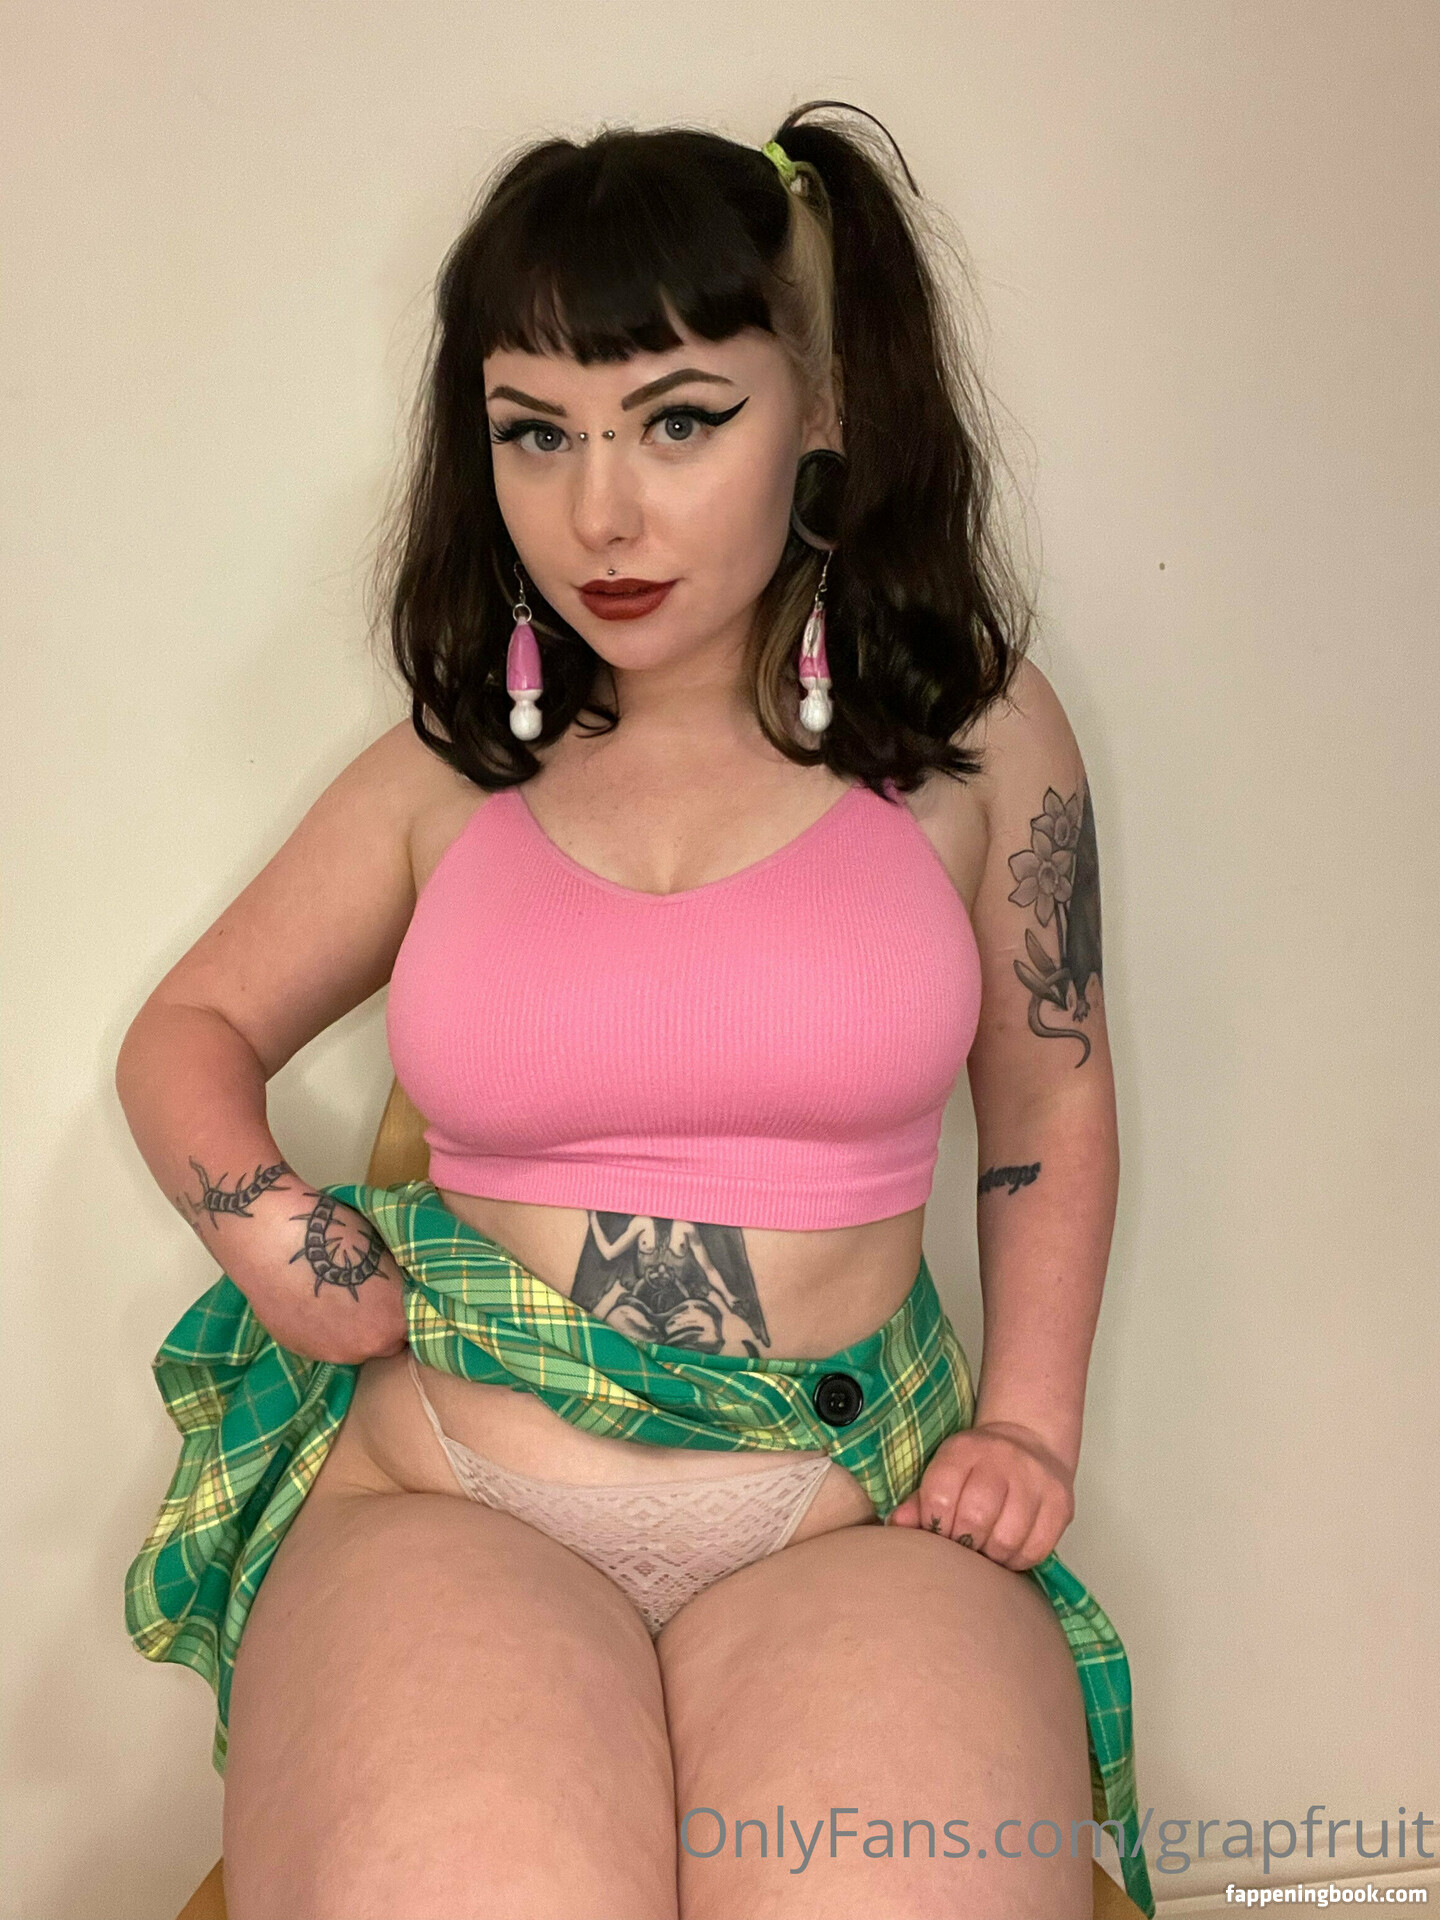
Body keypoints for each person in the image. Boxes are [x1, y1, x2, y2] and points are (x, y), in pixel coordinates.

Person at [118, 103, 1154, 1920]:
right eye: (536, 431)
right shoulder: (446, 771)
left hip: (855, 1502)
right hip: (446, 1498)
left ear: (824, 405)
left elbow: (1049, 1103)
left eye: (679, 420)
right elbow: (188, 1030)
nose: (597, 512)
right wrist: (283, 1241)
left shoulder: (973, 739)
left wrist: (1030, 1427)